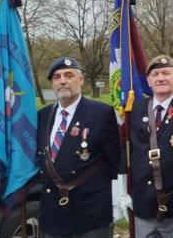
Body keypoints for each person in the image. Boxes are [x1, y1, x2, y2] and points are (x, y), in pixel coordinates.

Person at [37, 57, 120, 238]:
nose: (63, 81)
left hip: (90, 211)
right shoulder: (43, 115)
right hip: (53, 212)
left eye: (69, 75)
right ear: (52, 83)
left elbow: (114, 161)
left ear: (81, 79)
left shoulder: (101, 113)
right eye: (57, 77)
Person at [129, 54, 173, 238]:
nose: (160, 78)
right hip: (144, 204)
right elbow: (128, 150)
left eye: (166, 73)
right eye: (155, 74)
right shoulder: (136, 108)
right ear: (148, 80)